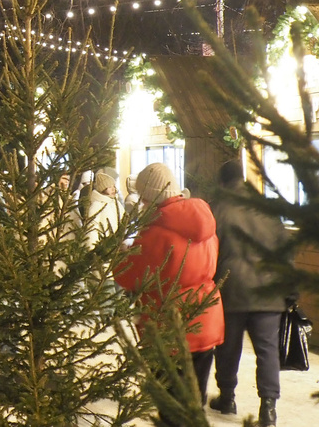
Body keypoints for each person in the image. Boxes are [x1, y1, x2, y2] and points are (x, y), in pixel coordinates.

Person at [115, 163, 223, 419]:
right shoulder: (205, 222)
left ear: (149, 195)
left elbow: (128, 276)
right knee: (195, 400)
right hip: (205, 316)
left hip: (169, 324)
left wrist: (120, 255)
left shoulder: (155, 232)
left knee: (171, 406)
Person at [209, 160, 293, 427]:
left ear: (222, 182)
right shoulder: (266, 208)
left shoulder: (219, 208)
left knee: (227, 348)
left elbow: (211, 251)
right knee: (268, 351)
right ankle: (268, 408)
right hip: (268, 292)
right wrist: (289, 290)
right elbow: (285, 251)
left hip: (231, 289)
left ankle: (227, 398)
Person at [82, 170, 124, 250]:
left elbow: (124, 220)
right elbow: (92, 229)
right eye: (110, 187)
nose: (113, 189)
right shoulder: (97, 205)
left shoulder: (116, 203)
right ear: (102, 188)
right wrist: (92, 249)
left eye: (114, 186)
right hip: (104, 247)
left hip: (117, 246)